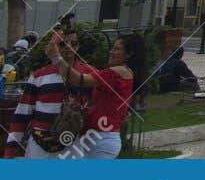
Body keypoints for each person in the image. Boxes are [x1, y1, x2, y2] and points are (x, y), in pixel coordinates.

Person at [46, 31, 146, 159]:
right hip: (96, 137)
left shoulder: (117, 72)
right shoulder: (125, 73)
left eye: (117, 49)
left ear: (129, 54)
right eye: (112, 48)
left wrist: (56, 58)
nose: (111, 52)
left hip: (101, 139)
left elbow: (78, 80)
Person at [4, 27, 92, 159]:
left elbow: (103, 104)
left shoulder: (90, 75)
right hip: (40, 145)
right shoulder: (39, 76)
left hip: (74, 143)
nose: (69, 47)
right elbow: (22, 113)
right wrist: (10, 150)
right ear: (54, 47)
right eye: (63, 43)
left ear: (78, 46)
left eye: (73, 43)